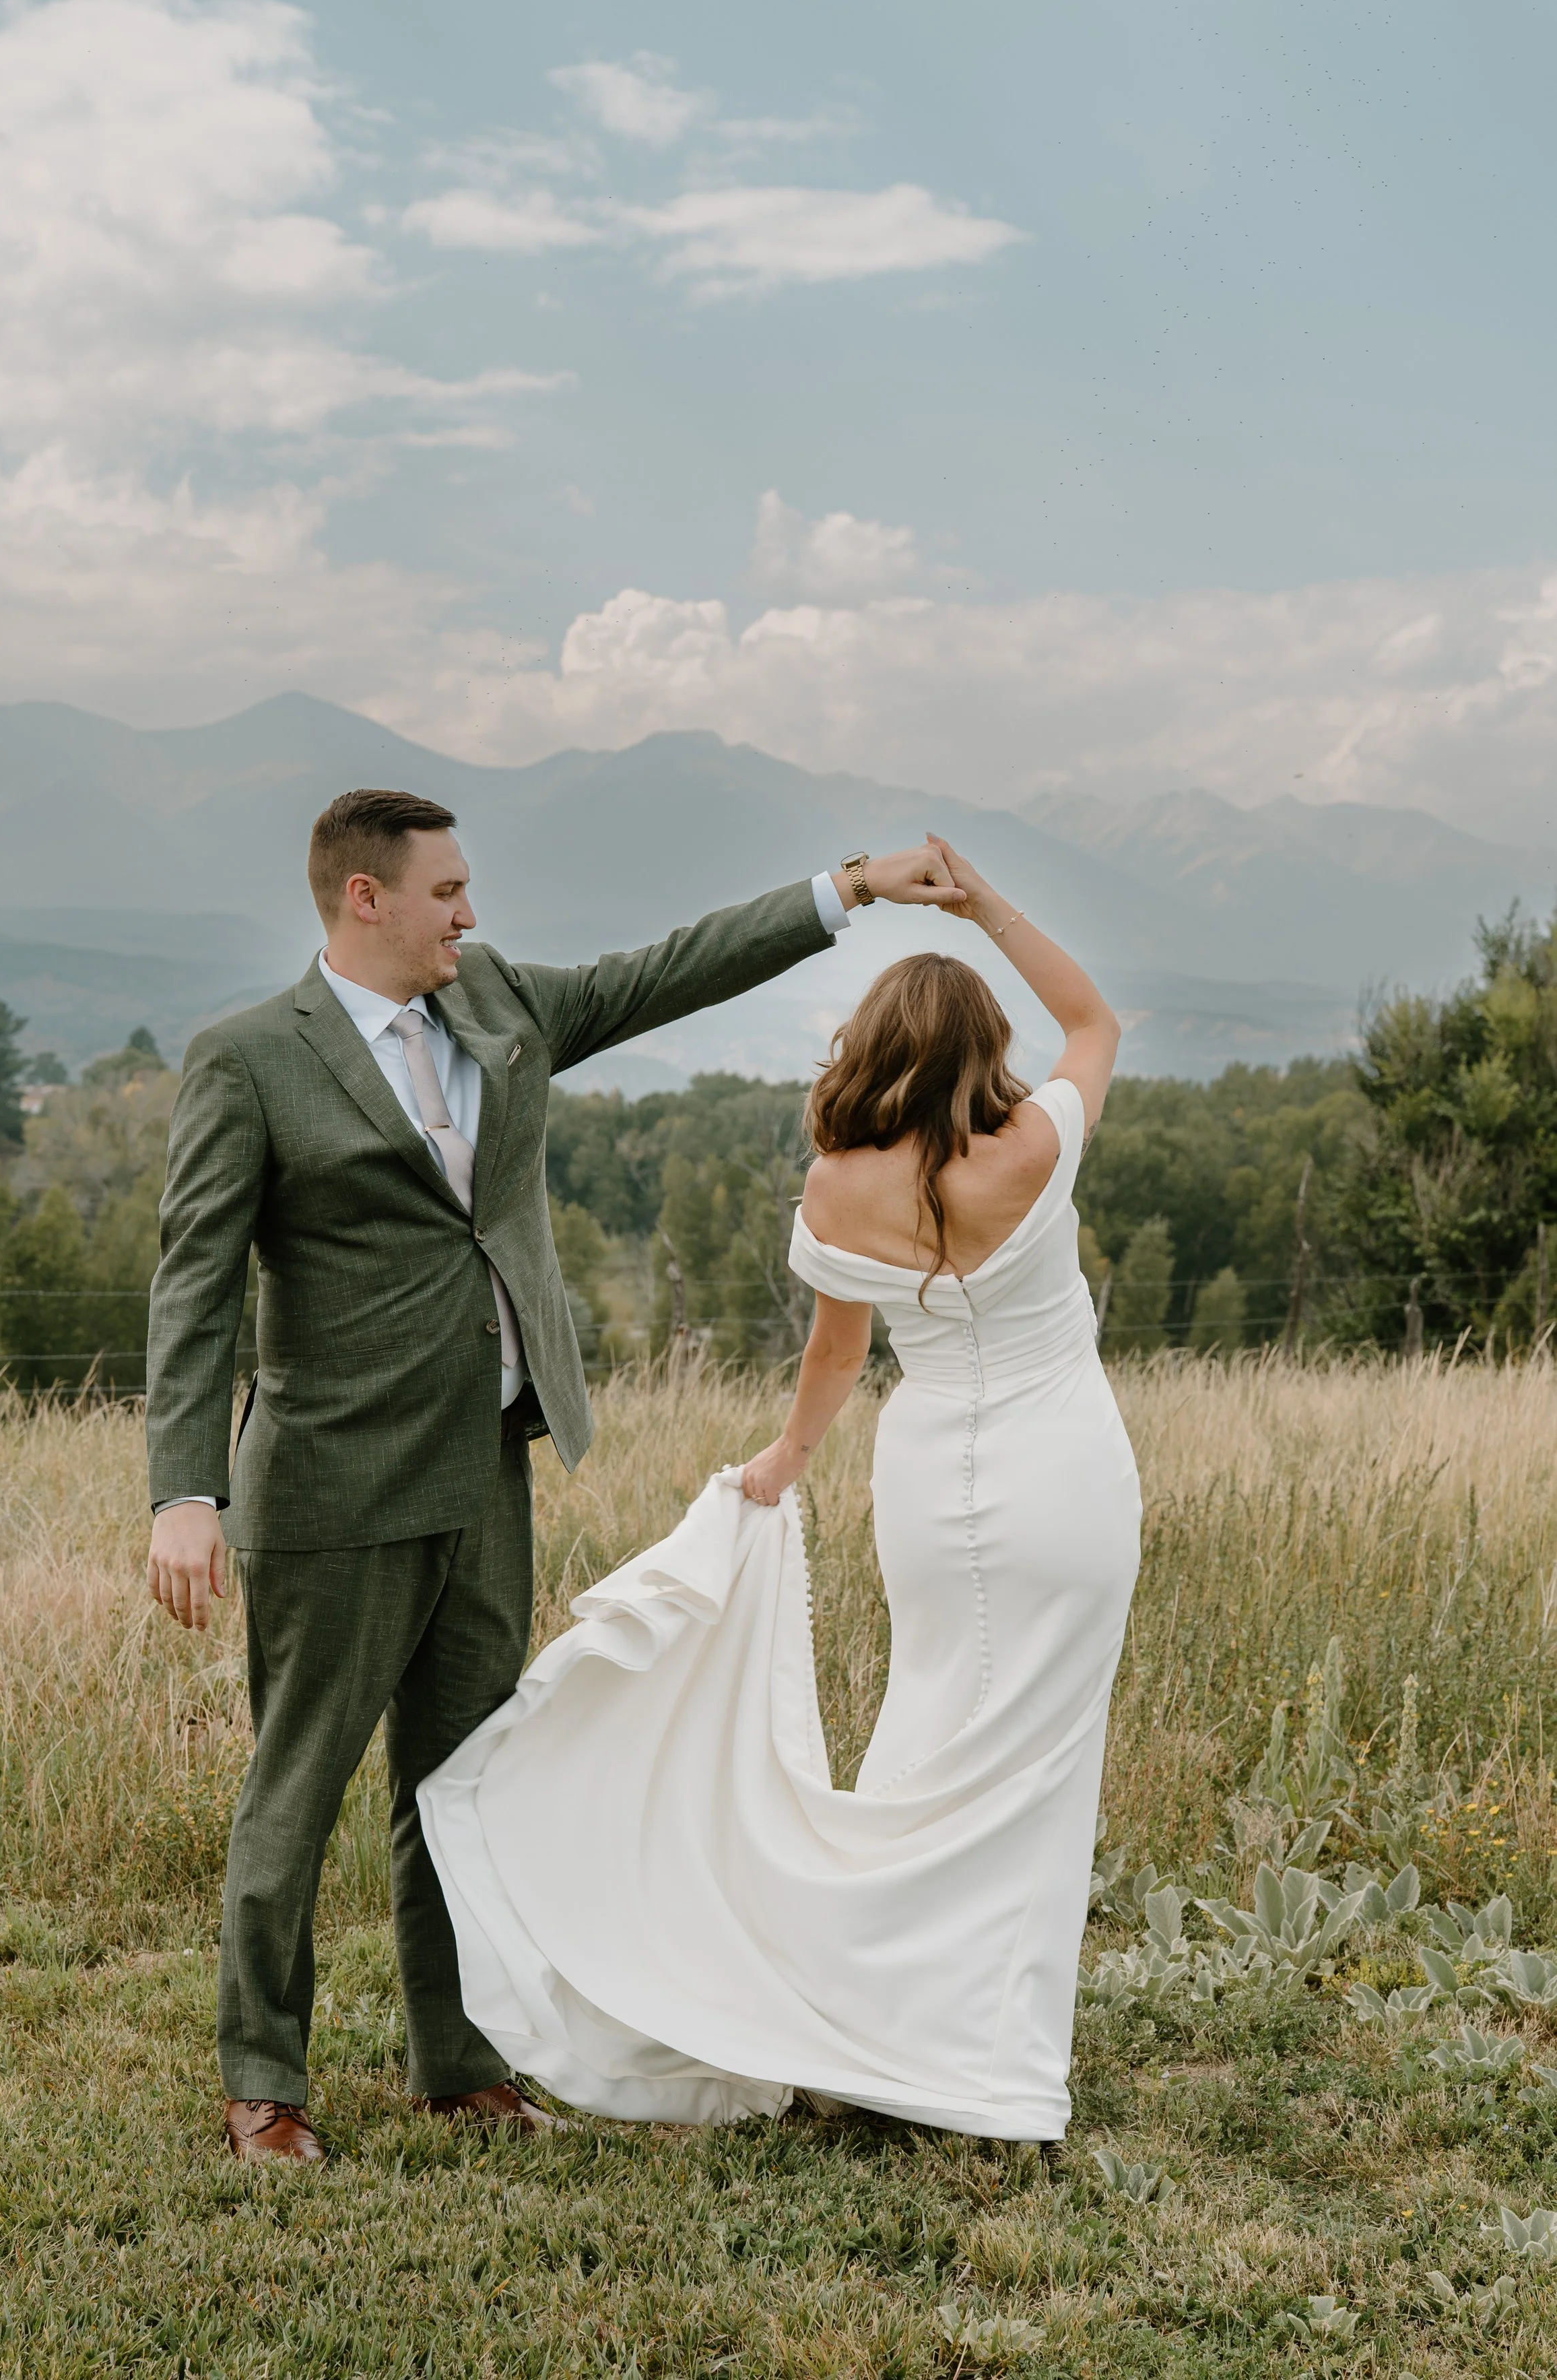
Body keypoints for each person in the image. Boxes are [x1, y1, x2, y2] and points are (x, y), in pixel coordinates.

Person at [143, 785, 961, 2164]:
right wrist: (183, 1492)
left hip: (483, 1472)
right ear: (366, 899)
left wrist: (851, 889)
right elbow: (194, 1284)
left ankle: (458, 2065)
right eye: (448, 891)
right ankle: (262, 2088)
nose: (471, 911)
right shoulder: (248, 1061)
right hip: (330, 1489)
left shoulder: (501, 1003)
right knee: (296, 1789)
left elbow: (665, 973)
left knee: (458, 1788)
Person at [417, 834, 1141, 2142]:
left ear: (868, 1050)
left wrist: (785, 1461)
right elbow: (1090, 1017)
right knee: (1036, 1758)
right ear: (981, 1053)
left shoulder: (837, 1186)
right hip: (1063, 1477)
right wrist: (981, 908)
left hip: (928, 1484)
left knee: (921, 1740)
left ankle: (873, 2035)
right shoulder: (1034, 1148)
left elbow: (837, 1347)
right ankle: (978, 2057)